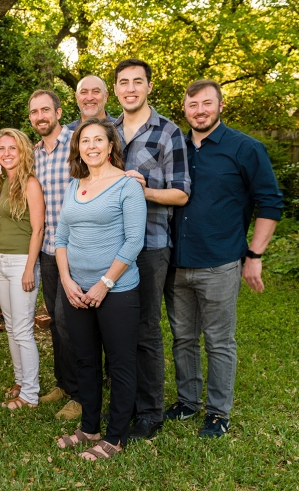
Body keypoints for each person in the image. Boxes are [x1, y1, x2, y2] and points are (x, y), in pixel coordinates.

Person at [164, 79, 284, 438]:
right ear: (184, 110)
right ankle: (187, 400)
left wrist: (255, 255)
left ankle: (218, 412)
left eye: (206, 104)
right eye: (193, 105)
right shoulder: (178, 147)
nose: (200, 110)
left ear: (220, 106)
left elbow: (271, 202)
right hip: (176, 263)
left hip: (220, 262)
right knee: (182, 337)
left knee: (218, 340)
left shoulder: (245, 148)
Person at [55, 118, 147, 460]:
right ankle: (89, 427)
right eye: (85, 141)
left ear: (111, 146)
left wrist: (104, 284)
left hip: (117, 290)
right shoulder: (74, 184)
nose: (91, 146)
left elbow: (134, 241)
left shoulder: (127, 185)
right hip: (76, 289)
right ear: (78, 147)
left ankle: (115, 436)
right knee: (86, 360)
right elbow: (61, 237)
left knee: (120, 363)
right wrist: (66, 280)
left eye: (98, 140)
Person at [112, 58, 191, 441]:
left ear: (148, 87)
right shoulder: (106, 131)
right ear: (116, 90)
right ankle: (123, 402)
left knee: (144, 328)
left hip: (150, 244)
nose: (130, 88)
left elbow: (180, 192)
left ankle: (150, 411)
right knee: (115, 327)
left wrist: (141, 192)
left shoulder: (168, 132)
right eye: (123, 82)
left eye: (137, 82)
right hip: (109, 247)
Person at [28, 89, 81, 419]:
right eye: (34, 112)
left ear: (59, 112)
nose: (40, 116)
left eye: (45, 110)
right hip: (48, 248)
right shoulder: (34, 154)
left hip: (78, 248)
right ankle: (64, 382)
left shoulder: (79, 143)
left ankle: (81, 393)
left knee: (70, 320)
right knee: (56, 321)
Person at [0, 129, 45, 409]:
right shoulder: (4, 182)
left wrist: (29, 268)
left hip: (22, 262)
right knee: (11, 327)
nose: (7, 153)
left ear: (23, 151)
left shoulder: (30, 184)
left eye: (12, 148)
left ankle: (31, 395)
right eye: (2, 149)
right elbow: (8, 218)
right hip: (1, 261)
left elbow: (37, 229)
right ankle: (21, 381)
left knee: (23, 329)